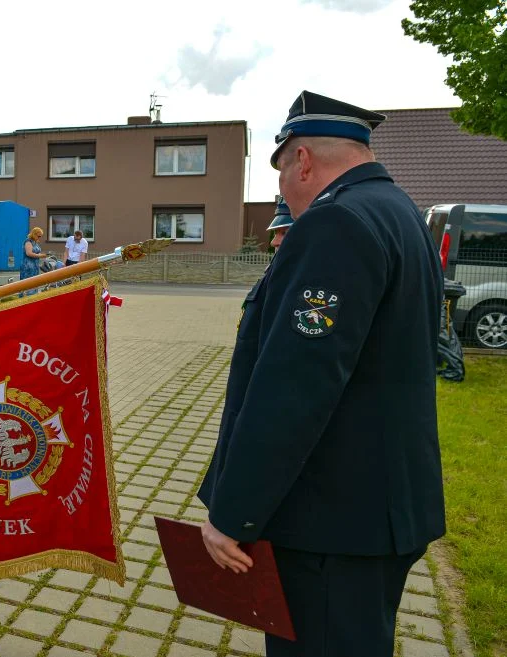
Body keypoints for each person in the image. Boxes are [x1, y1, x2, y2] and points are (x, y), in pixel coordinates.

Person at [196, 91, 445, 657]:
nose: (283, 189)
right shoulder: (398, 211)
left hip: (332, 523)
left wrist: (233, 513)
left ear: (301, 160)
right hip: (378, 508)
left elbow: (294, 388)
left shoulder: (336, 223)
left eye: (281, 172)